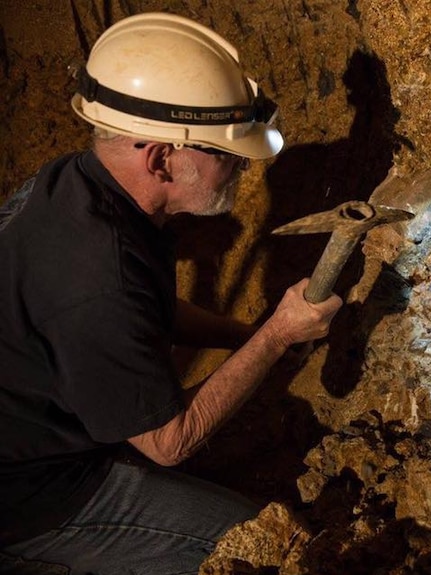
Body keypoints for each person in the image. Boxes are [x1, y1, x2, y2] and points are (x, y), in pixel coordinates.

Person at [0, 12, 342, 574]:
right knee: (269, 549)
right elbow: (169, 442)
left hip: (42, 425)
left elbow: (138, 312)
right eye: (224, 155)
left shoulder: (78, 184)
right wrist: (278, 334)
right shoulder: (94, 272)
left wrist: (244, 335)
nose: (239, 169)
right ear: (160, 158)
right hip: (33, 495)